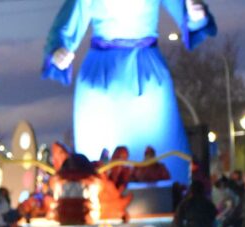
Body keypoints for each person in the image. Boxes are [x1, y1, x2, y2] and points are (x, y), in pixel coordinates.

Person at [43, 0, 216, 182]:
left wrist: (196, 17)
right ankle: (96, 194)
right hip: (101, 78)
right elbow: (69, 19)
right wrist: (58, 48)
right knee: (96, 160)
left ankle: (172, 197)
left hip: (147, 75)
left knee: (163, 148)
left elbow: (186, 10)